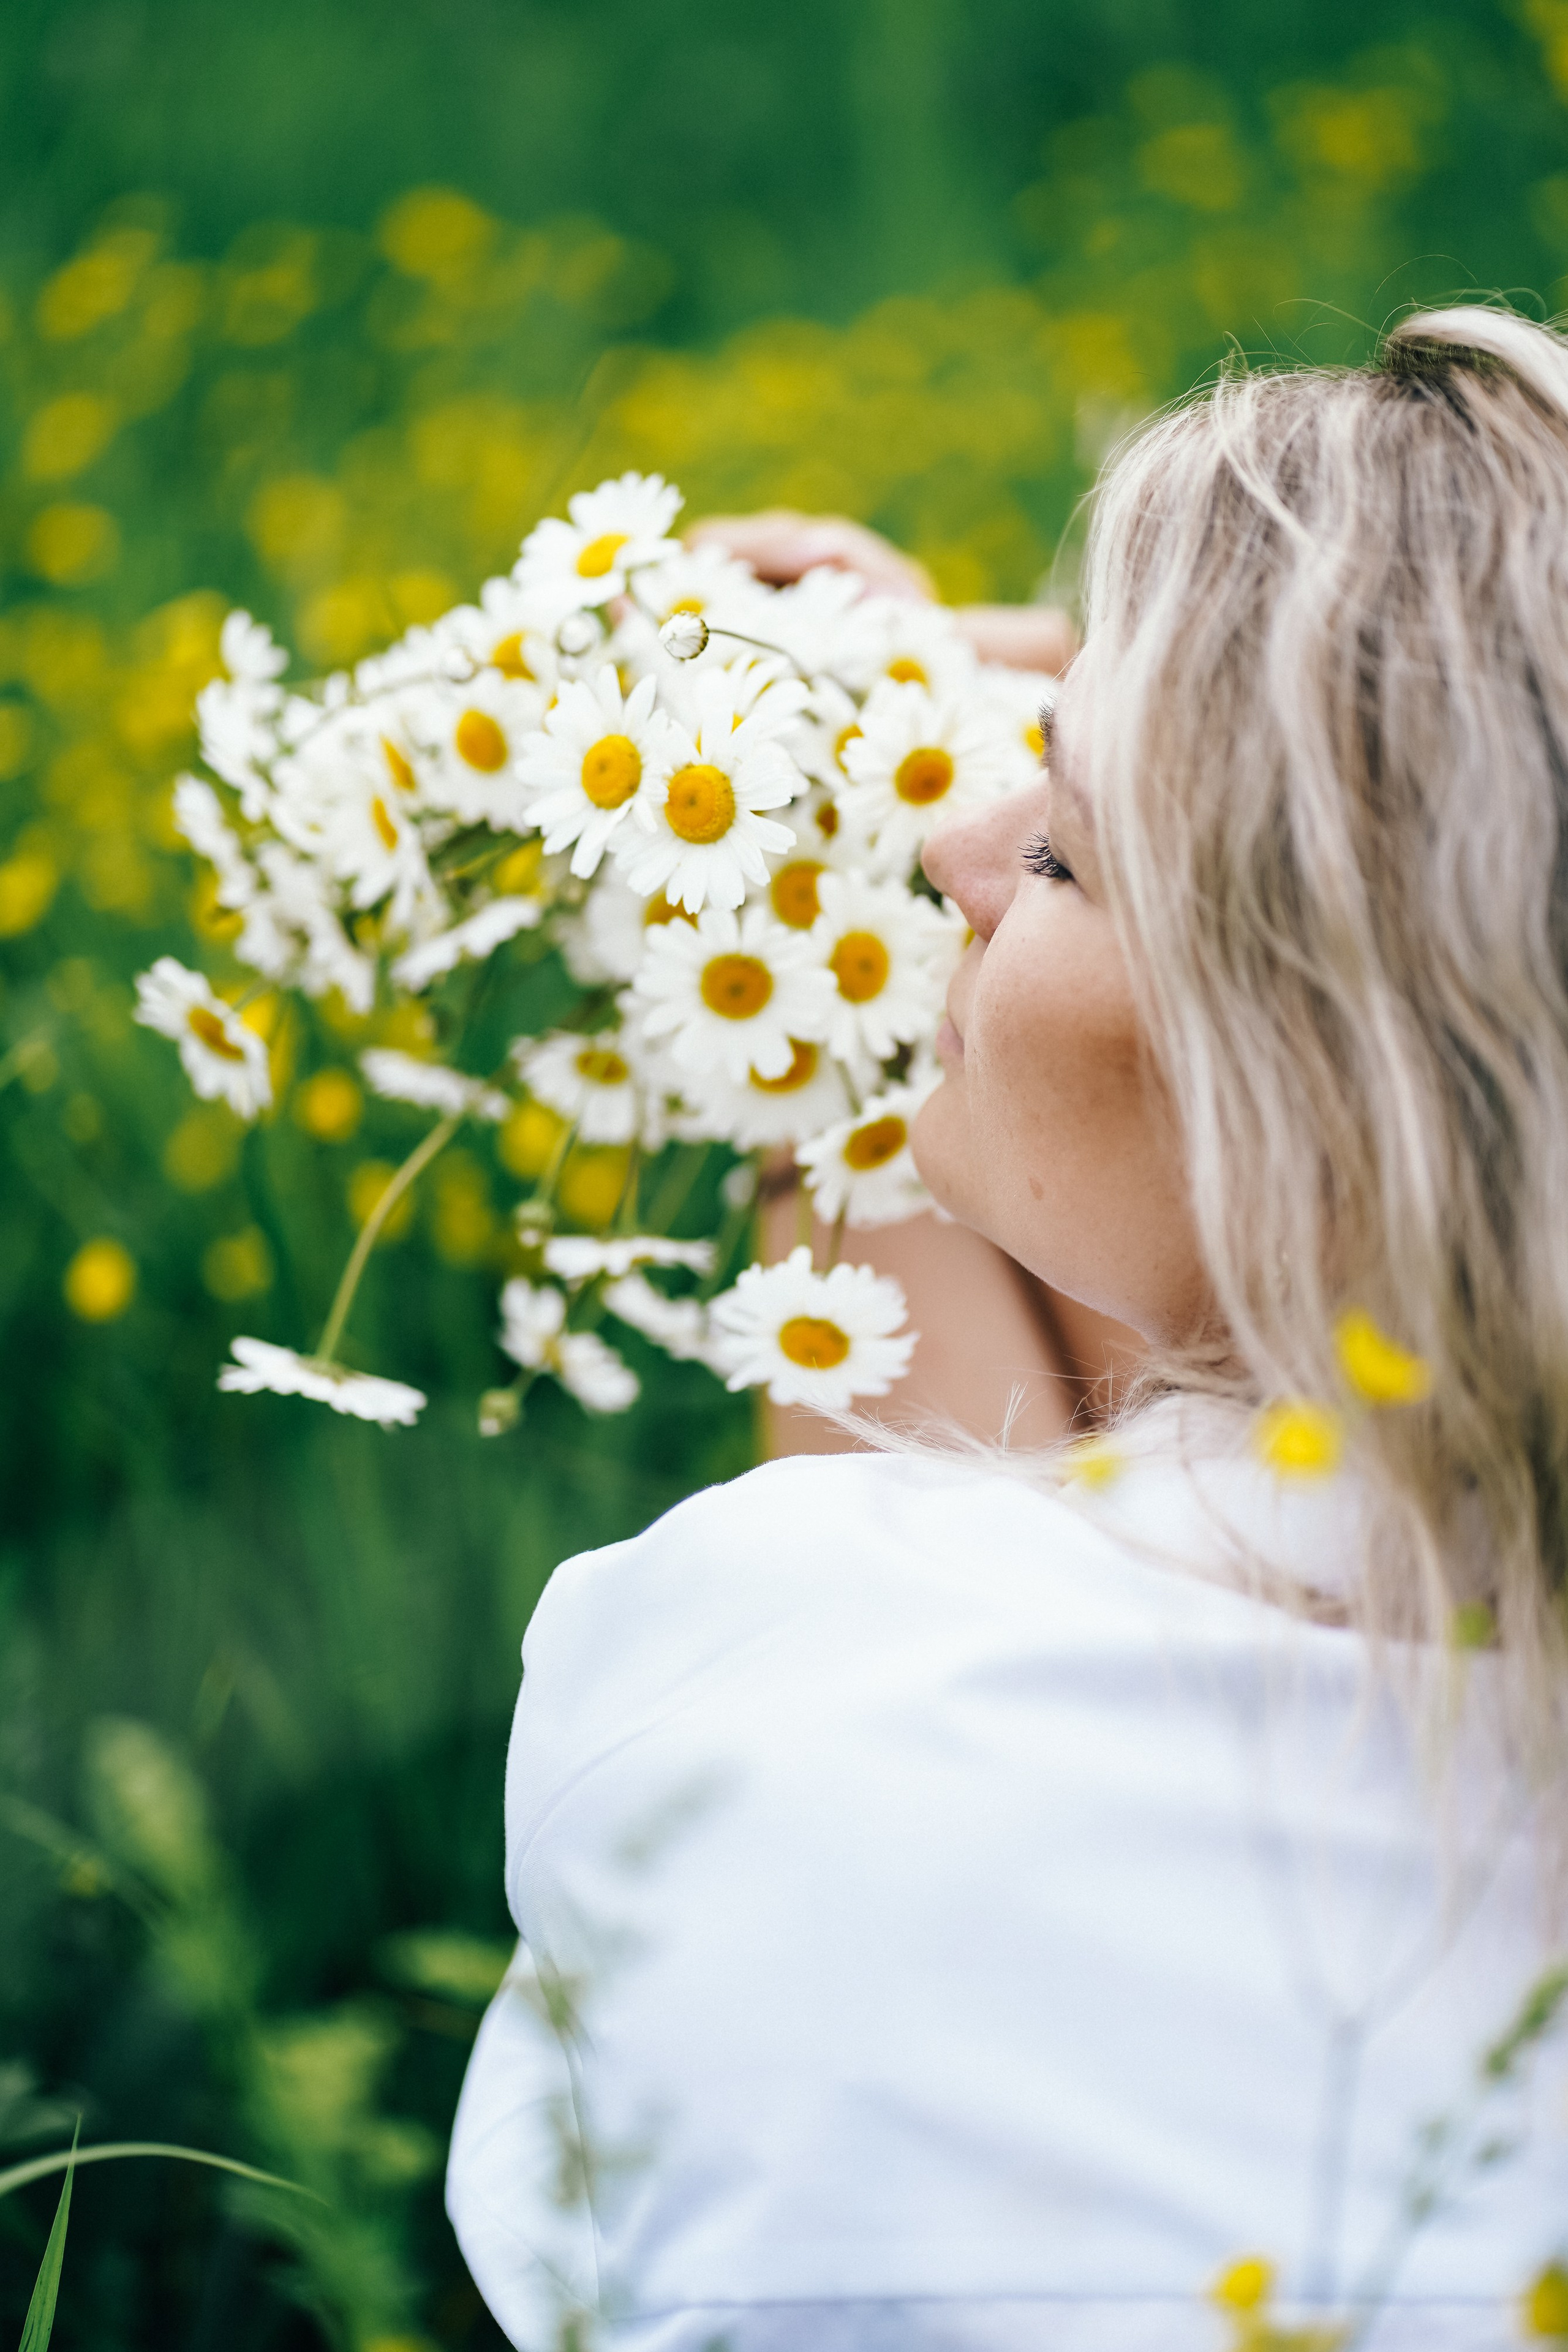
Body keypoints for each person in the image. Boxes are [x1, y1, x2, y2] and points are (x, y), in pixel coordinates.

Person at [447, 307, 1568, 2350]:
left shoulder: (798, 1660)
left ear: (1328, 1082)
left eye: (1053, 847)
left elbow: (933, 1551)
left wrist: (809, 1004)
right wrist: (1013, 702)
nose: (946, 851)